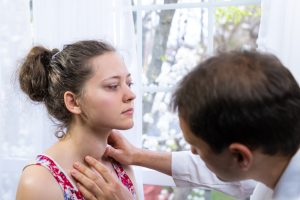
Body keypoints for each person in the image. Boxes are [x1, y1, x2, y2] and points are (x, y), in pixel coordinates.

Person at [72, 50, 300, 200]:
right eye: (113, 85)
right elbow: (233, 175)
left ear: (241, 156)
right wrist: (138, 156)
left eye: (197, 148)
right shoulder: (274, 156)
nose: (193, 153)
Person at [16, 40, 139, 200]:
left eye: (129, 83)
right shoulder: (39, 181)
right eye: (113, 85)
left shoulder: (121, 166)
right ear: (73, 102)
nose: (130, 95)